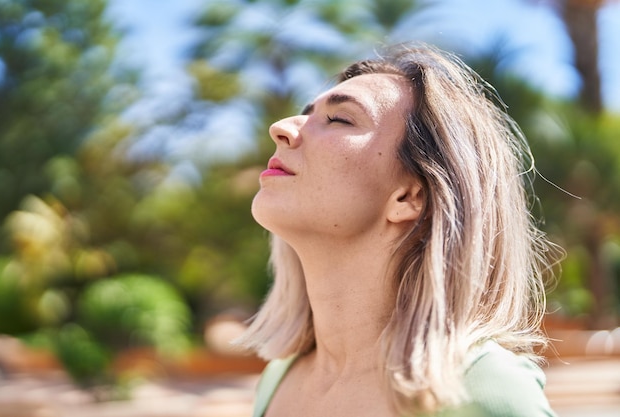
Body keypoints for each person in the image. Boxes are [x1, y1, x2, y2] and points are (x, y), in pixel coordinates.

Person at [239, 43, 559, 417]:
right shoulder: (277, 380)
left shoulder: (478, 388)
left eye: (340, 119)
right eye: (305, 113)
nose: (282, 127)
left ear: (409, 196)